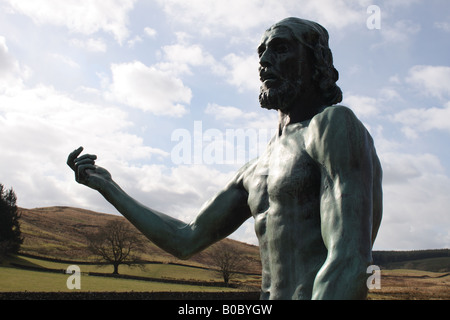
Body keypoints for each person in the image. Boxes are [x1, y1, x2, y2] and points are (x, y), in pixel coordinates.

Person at [67, 17, 382, 300]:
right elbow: (185, 239)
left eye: (281, 49)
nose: (265, 61)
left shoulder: (332, 126)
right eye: (261, 53)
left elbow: (350, 260)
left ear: (316, 64)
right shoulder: (256, 169)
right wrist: (109, 187)